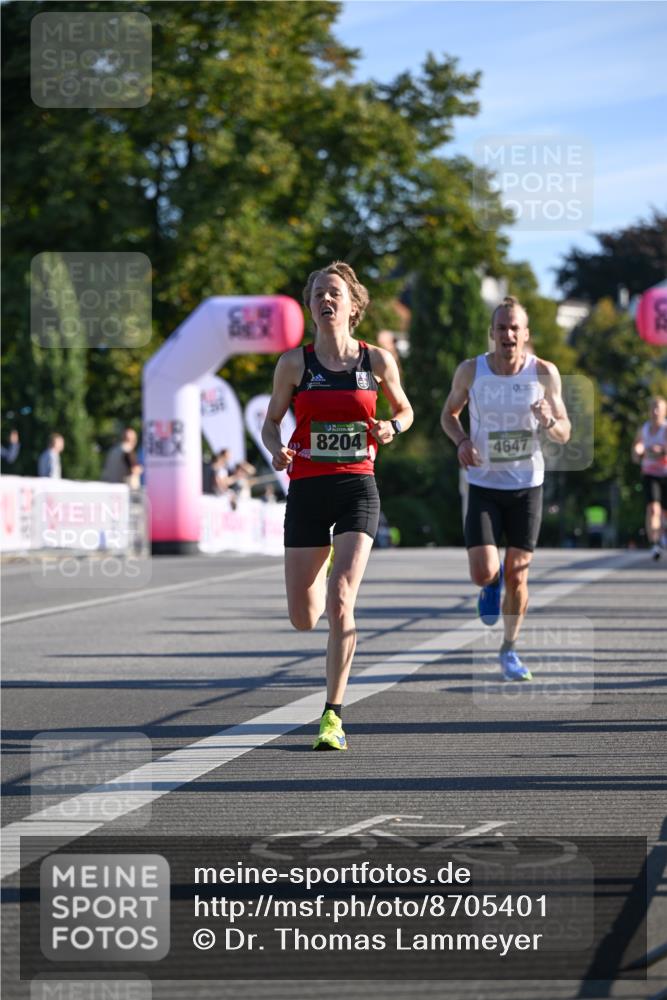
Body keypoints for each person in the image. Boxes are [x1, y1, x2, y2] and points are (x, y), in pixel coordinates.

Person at [262, 261, 413, 750]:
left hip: (356, 487)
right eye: (318, 295)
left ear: (353, 306)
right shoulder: (293, 364)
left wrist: (394, 426)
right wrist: (275, 446)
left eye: (335, 294)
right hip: (307, 487)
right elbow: (271, 421)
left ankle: (333, 715)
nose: (326, 300)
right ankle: (324, 569)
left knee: (342, 600)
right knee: (303, 617)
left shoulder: (378, 361)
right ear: (311, 306)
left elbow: (405, 409)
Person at [441, 295, 571, 681]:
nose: (508, 334)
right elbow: (448, 415)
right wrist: (462, 441)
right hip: (483, 481)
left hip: (527, 484)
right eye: (501, 328)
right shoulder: (471, 371)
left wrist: (549, 421)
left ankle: (509, 648)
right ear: (492, 334)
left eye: (515, 328)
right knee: (485, 572)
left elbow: (565, 433)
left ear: (526, 334)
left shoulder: (544, 373)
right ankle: (489, 584)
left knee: (519, 574)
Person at [631, 396, 667, 559]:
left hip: (665, 474)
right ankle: (655, 543)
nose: (655, 412)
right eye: (652, 408)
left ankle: (662, 533)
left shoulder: (665, 429)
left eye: (658, 408)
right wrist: (638, 451)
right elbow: (636, 450)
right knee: (653, 509)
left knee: (663, 512)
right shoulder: (644, 429)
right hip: (650, 474)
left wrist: (660, 450)